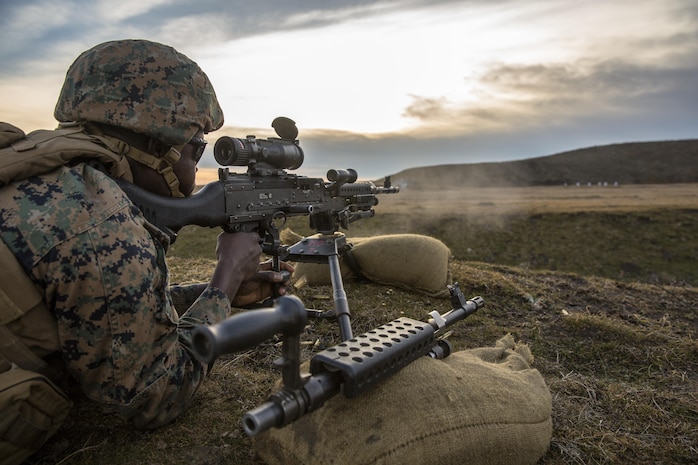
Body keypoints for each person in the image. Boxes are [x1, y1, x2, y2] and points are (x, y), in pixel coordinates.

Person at [0, 38, 293, 443]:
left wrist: (210, 295)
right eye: (197, 149)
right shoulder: (101, 220)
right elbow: (155, 396)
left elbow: (98, 310)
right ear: (158, 148)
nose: (197, 165)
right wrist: (225, 278)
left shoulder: (32, 168)